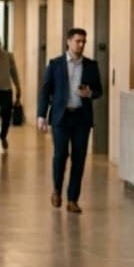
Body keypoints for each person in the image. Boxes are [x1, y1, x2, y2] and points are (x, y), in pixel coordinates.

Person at [37, 27, 103, 214]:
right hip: (60, 117)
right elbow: (45, 91)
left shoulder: (91, 65)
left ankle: (73, 199)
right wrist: (41, 115)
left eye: (83, 41)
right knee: (60, 155)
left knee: (79, 159)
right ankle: (57, 189)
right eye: (77, 41)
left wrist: (90, 93)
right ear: (68, 42)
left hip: (81, 117)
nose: (81, 45)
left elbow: (99, 90)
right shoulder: (56, 64)